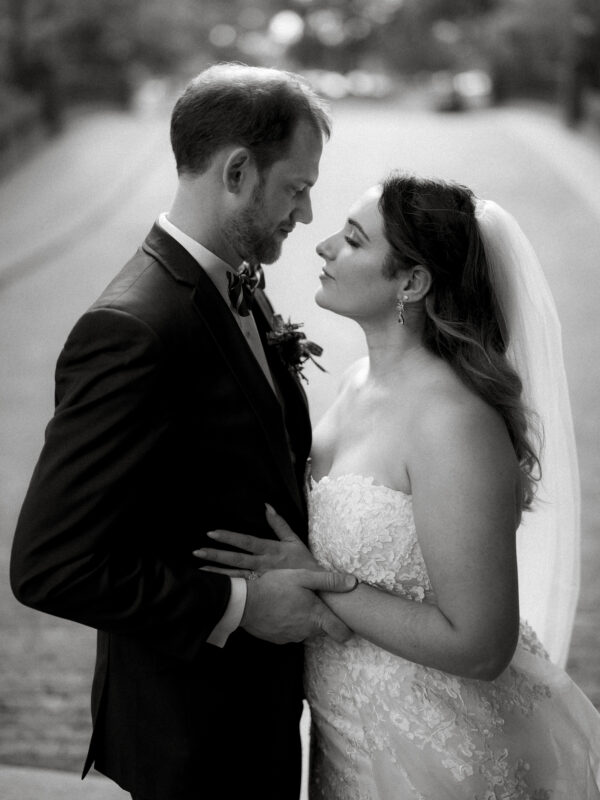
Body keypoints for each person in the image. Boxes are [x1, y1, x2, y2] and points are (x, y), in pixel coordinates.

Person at [9, 63, 360, 800]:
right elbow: (51, 563)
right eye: (296, 188)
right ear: (237, 170)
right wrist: (240, 606)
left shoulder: (235, 280)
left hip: (255, 717)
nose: (304, 214)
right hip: (192, 734)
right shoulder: (132, 329)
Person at [196, 173, 600, 798]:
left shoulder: (452, 421)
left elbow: (481, 645)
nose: (324, 246)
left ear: (411, 282)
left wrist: (326, 584)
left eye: (353, 241)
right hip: (348, 738)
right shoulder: (357, 381)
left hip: (438, 751)